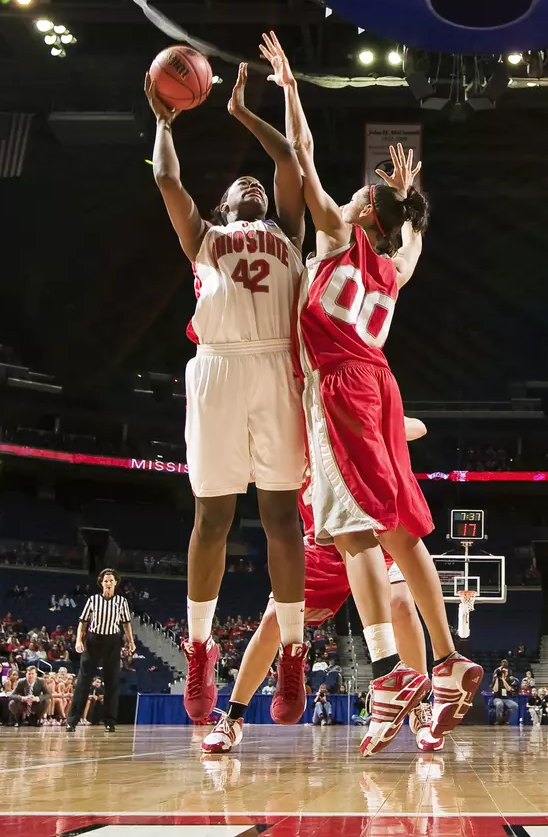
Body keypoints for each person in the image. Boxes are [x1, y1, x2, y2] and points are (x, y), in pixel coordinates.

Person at [269, 31, 480, 755]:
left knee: (351, 528)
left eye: (363, 195)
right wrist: (410, 198)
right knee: (401, 523)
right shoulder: (396, 269)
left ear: (362, 217)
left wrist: (291, 88)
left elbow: (301, 159)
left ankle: (391, 669)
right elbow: (415, 234)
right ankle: (447, 660)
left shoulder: (334, 237)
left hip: (339, 386)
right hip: (383, 385)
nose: (357, 192)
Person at [146, 58, 311, 724]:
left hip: (276, 368)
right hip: (214, 368)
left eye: (259, 184)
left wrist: (245, 114)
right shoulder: (205, 238)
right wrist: (163, 121)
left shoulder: (290, 234)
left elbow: (293, 164)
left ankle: (294, 654)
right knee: (212, 518)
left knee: (280, 518)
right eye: (240, 183)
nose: (254, 183)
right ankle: (198, 648)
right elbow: (165, 176)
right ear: (223, 207)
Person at [201, 417, 441, 754]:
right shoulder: (293, 438)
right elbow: (250, 468)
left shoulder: (347, 421)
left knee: (401, 604)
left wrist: (367, 428)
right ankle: (232, 718)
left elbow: (418, 427)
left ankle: (418, 708)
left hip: (370, 542)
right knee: (273, 620)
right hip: (321, 548)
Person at [69, 569, 134, 732]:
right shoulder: (93, 600)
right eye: (106, 581)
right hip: (93, 640)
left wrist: (131, 642)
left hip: (112, 641)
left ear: (116, 583)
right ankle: (73, 720)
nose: (108, 583)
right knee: (83, 680)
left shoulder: (122, 602)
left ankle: (109, 721)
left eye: (111, 580)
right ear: (101, 583)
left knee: (112, 681)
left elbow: (126, 623)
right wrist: (79, 640)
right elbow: (83, 622)